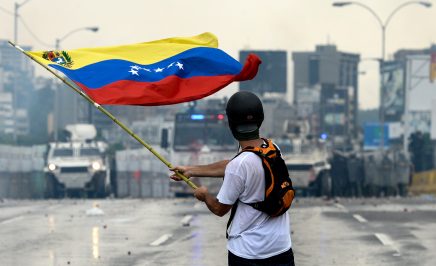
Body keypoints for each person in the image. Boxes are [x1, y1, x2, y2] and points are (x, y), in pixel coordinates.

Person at [170, 91, 294, 266]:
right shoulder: (272, 148)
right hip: (281, 249)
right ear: (260, 119)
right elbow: (234, 165)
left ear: (231, 124)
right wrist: (191, 170)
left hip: (249, 254)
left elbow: (220, 209)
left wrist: (204, 195)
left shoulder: (240, 165)